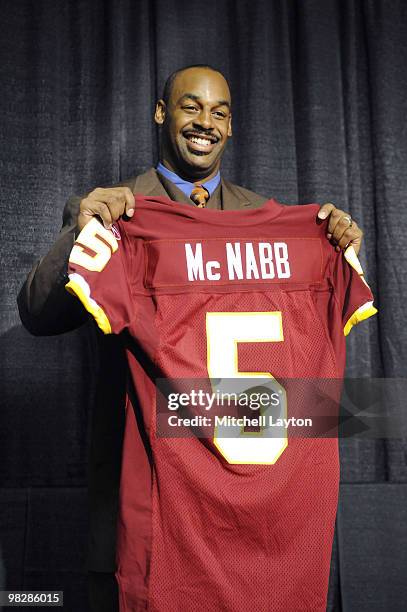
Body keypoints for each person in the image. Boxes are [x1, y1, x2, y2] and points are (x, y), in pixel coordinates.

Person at [17, 64, 365, 612]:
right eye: (190, 107)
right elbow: (37, 313)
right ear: (162, 113)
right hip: (148, 499)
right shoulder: (116, 209)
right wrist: (82, 231)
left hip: (247, 509)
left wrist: (331, 242)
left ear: (231, 128)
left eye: (219, 112)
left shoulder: (265, 219)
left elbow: (307, 390)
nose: (205, 122)